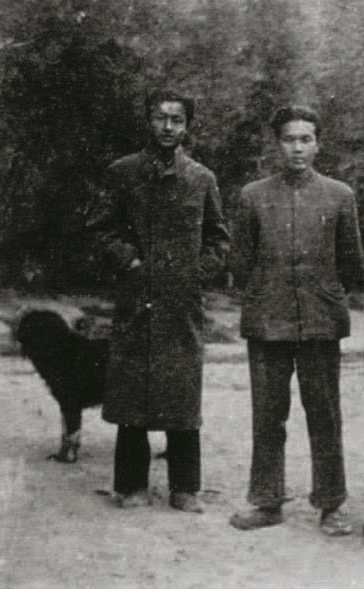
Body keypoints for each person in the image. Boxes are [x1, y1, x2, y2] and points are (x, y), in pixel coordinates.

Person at [88, 88, 230, 513]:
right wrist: (130, 262)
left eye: (177, 120)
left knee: (183, 391)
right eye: (161, 118)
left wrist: (194, 274)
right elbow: (99, 228)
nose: (168, 127)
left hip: (182, 304)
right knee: (133, 390)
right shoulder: (123, 172)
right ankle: (130, 485)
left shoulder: (202, 179)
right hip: (137, 300)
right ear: (148, 121)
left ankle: (184, 488)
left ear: (188, 126)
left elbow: (220, 241)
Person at [229, 105, 364, 536]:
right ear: (277, 144)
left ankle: (331, 504)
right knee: (268, 414)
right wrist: (265, 297)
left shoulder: (339, 196)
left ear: (318, 144)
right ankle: (267, 501)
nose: (298, 147)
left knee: (324, 414)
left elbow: (352, 264)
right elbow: (240, 261)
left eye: (306, 139)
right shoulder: (252, 195)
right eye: (290, 139)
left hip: (320, 322)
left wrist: (322, 297)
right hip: (267, 321)